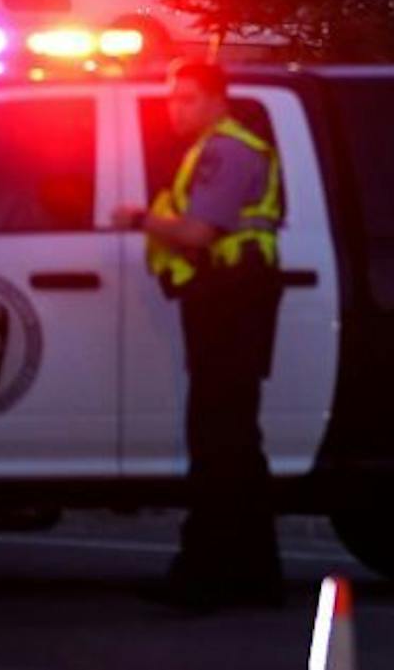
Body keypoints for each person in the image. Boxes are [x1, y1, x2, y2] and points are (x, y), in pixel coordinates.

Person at [113, 59, 285, 609]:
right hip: (230, 298)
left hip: (231, 300)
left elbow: (197, 232)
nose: (175, 108)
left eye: (187, 98)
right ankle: (254, 576)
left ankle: (206, 574)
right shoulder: (215, 149)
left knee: (217, 439)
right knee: (234, 440)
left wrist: (138, 219)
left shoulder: (225, 152)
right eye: (171, 98)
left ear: (217, 99)